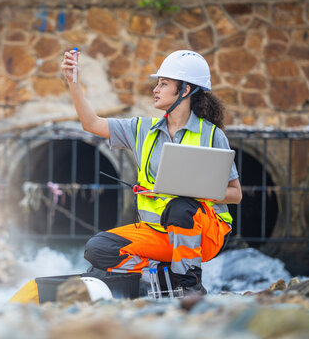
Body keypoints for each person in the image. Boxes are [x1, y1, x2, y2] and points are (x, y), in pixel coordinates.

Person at [60, 49, 242, 296]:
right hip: (157, 233)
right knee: (98, 248)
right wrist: (74, 83)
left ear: (185, 90)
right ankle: (159, 276)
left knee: (181, 205)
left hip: (205, 234)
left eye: (164, 84)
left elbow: (235, 194)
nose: (155, 89)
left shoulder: (212, 135)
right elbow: (91, 123)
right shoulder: (141, 129)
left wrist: (194, 193)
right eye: (158, 83)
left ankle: (189, 286)